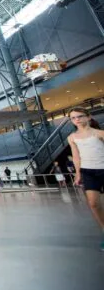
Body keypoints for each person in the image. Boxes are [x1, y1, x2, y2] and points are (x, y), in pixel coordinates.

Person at [67, 107, 104, 250]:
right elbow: (76, 156)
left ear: (88, 117)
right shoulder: (72, 137)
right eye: (73, 118)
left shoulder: (99, 133)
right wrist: (78, 174)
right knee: (94, 204)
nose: (77, 120)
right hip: (88, 172)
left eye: (80, 116)